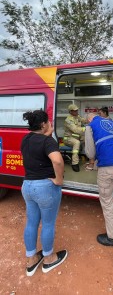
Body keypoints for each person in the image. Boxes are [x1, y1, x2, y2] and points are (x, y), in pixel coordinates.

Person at [21, 110, 68, 276]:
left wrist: (47, 133)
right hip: (45, 187)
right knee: (48, 224)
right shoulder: (48, 141)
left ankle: (31, 259)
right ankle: (48, 259)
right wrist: (59, 180)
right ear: (43, 125)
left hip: (27, 186)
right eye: (48, 122)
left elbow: (35, 150)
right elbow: (57, 160)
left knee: (31, 222)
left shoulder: (26, 139)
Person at [85, 113, 113, 247]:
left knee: (107, 201)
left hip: (108, 166)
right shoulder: (111, 123)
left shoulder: (90, 127)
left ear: (89, 119)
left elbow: (90, 153)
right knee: (109, 184)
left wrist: (92, 160)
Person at [63, 104, 94, 172]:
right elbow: (75, 130)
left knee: (89, 140)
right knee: (77, 143)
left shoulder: (77, 117)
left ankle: (91, 159)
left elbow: (84, 120)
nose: (76, 112)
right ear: (70, 111)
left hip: (77, 137)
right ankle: (75, 163)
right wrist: (86, 128)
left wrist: (91, 119)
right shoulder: (68, 120)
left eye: (77, 110)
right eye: (75, 111)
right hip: (68, 139)